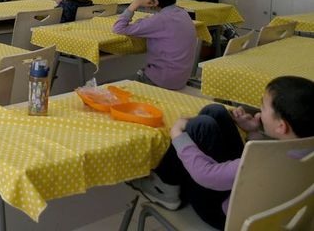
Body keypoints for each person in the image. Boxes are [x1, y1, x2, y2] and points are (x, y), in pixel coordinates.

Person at [131, 76, 314, 229]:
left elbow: (206, 175)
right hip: (255, 198)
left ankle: (165, 187)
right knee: (215, 111)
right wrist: (253, 131)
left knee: (200, 126)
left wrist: (178, 136)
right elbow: (255, 159)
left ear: (281, 126)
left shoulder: (267, 161)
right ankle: (168, 182)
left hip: (224, 215)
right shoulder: (301, 150)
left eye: (263, 107)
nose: (259, 111)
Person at [112, 0, 196, 90]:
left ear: (154, 1)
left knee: (109, 85)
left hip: (160, 81)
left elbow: (118, 28)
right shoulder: (182, 13)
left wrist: (133, 5)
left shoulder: (159, 20)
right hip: (180, 79)